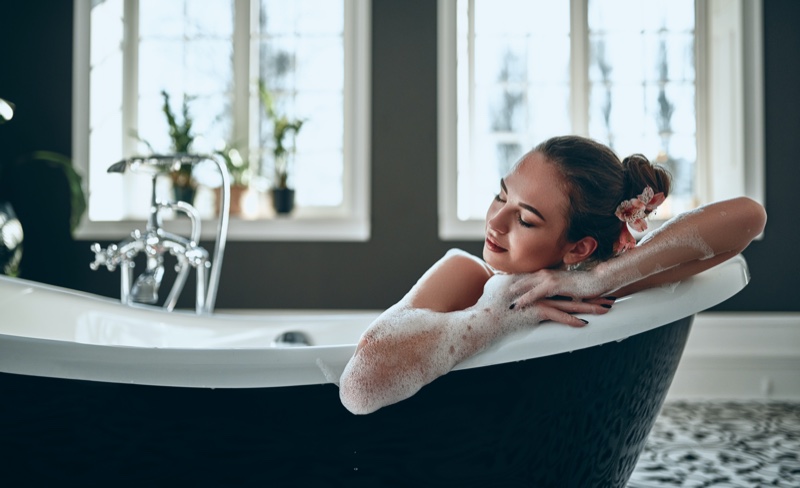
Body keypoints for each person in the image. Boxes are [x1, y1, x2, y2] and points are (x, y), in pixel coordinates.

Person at [339, 135, 767, 415]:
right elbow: (359, 386)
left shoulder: (586, 286)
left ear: (578, 248)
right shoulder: (465, 275)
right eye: (500, 196)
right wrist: (493, 318)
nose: (496, 221)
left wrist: (598, 279)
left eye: (524, 219)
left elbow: (748, 218)